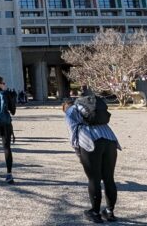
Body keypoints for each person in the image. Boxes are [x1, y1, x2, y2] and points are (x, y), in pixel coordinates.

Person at [63, 94, 120, 223]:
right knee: (109, 178)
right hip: (110, 139)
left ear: (65, 106)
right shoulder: (93, 109)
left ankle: (95, 212)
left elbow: (73, 134)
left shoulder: (71, 111)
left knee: (94, 179)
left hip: (90, 141)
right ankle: (109, 212)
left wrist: (78, 153)